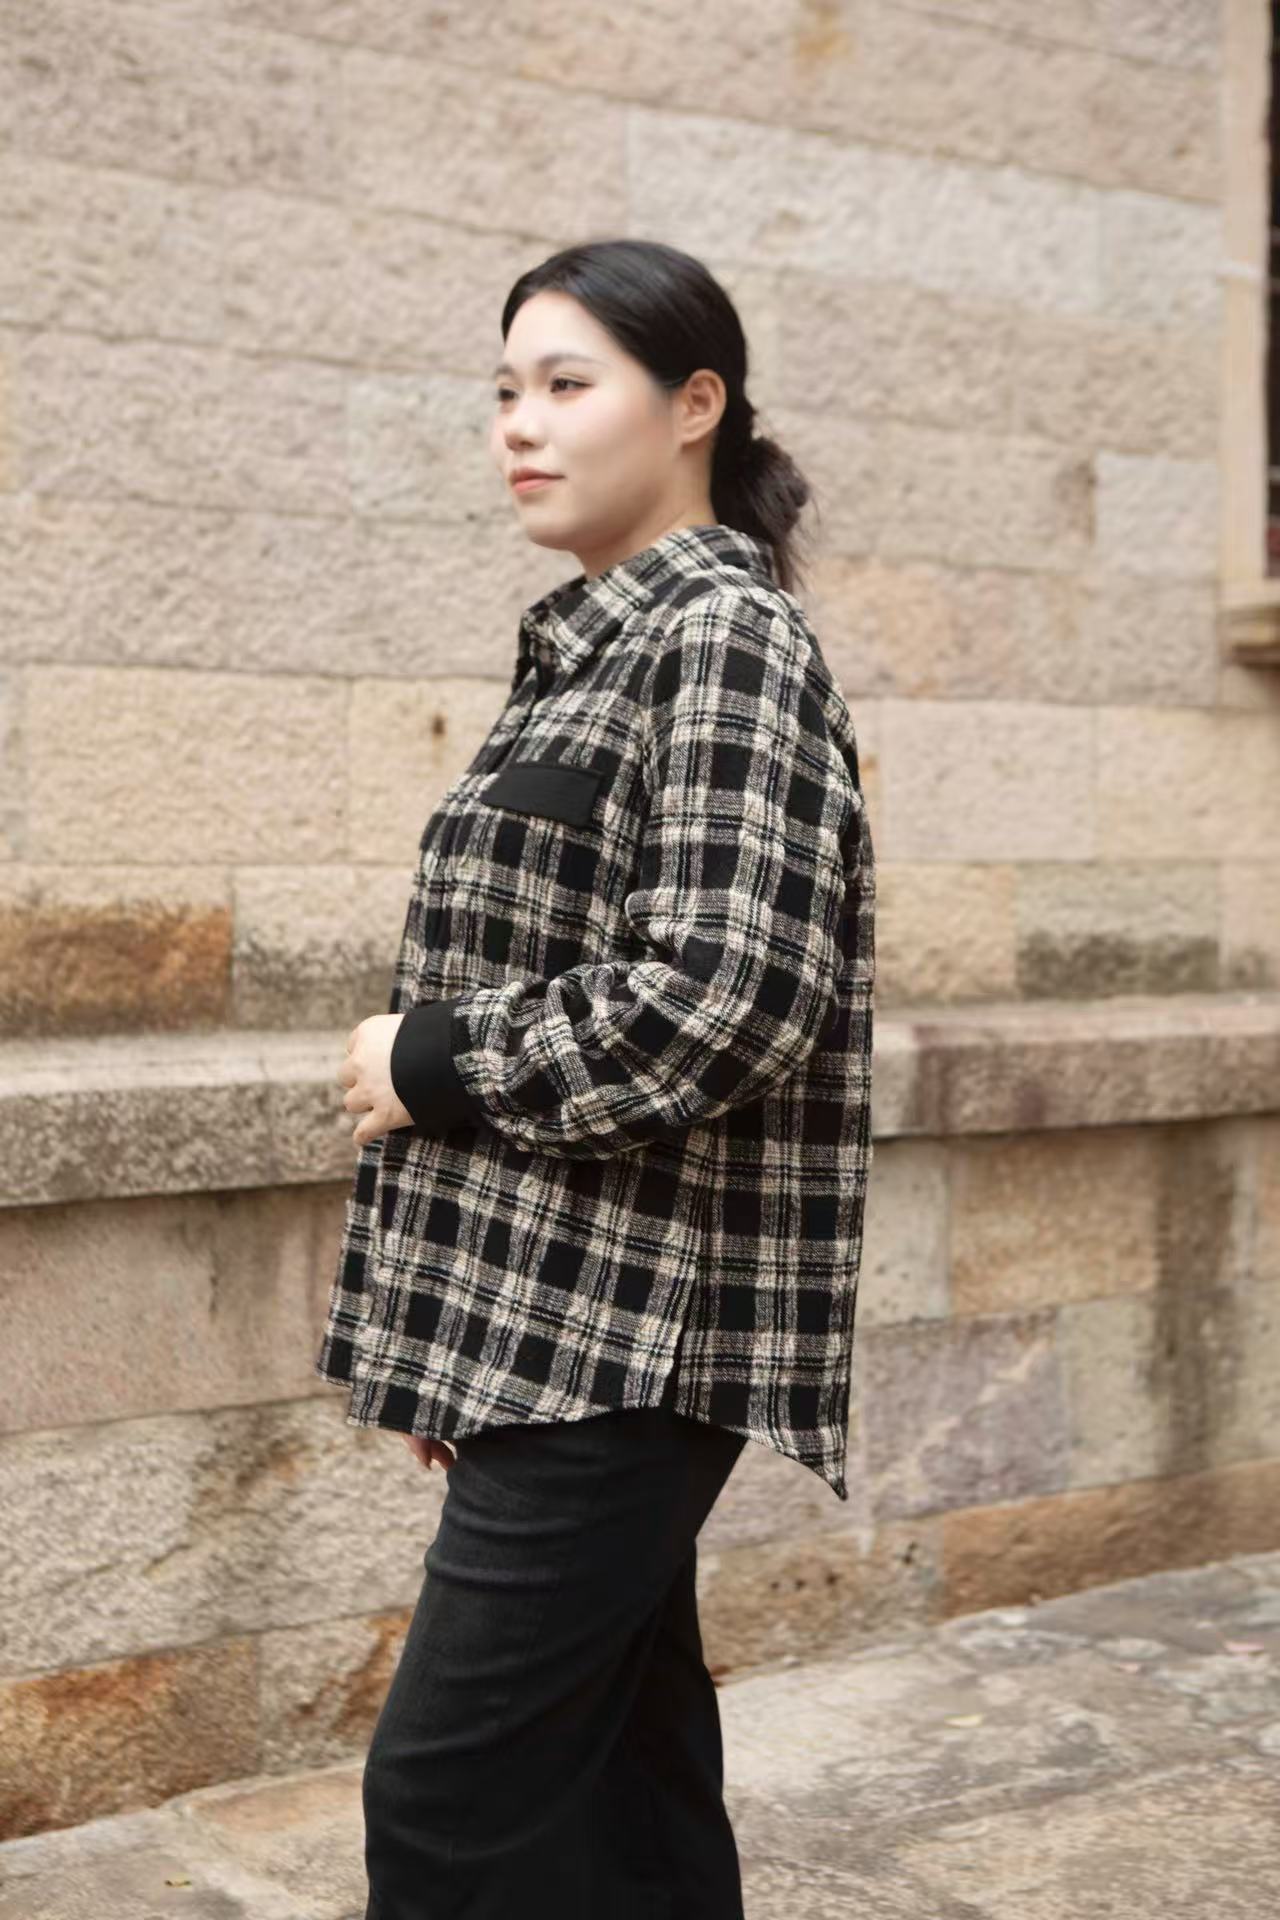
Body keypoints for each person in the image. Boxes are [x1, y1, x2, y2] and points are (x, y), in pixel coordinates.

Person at [316, 237, 877, 1919]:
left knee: (451, 1796)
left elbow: (730, 994)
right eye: (506, 389)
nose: (520, 424)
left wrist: (431, 1057)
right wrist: (466, 1352)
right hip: (559, 1331)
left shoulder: (724, 638)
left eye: (568, 384)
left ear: (696, 406)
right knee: (626, 1780)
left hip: (634, 1343)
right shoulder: (599, 645)